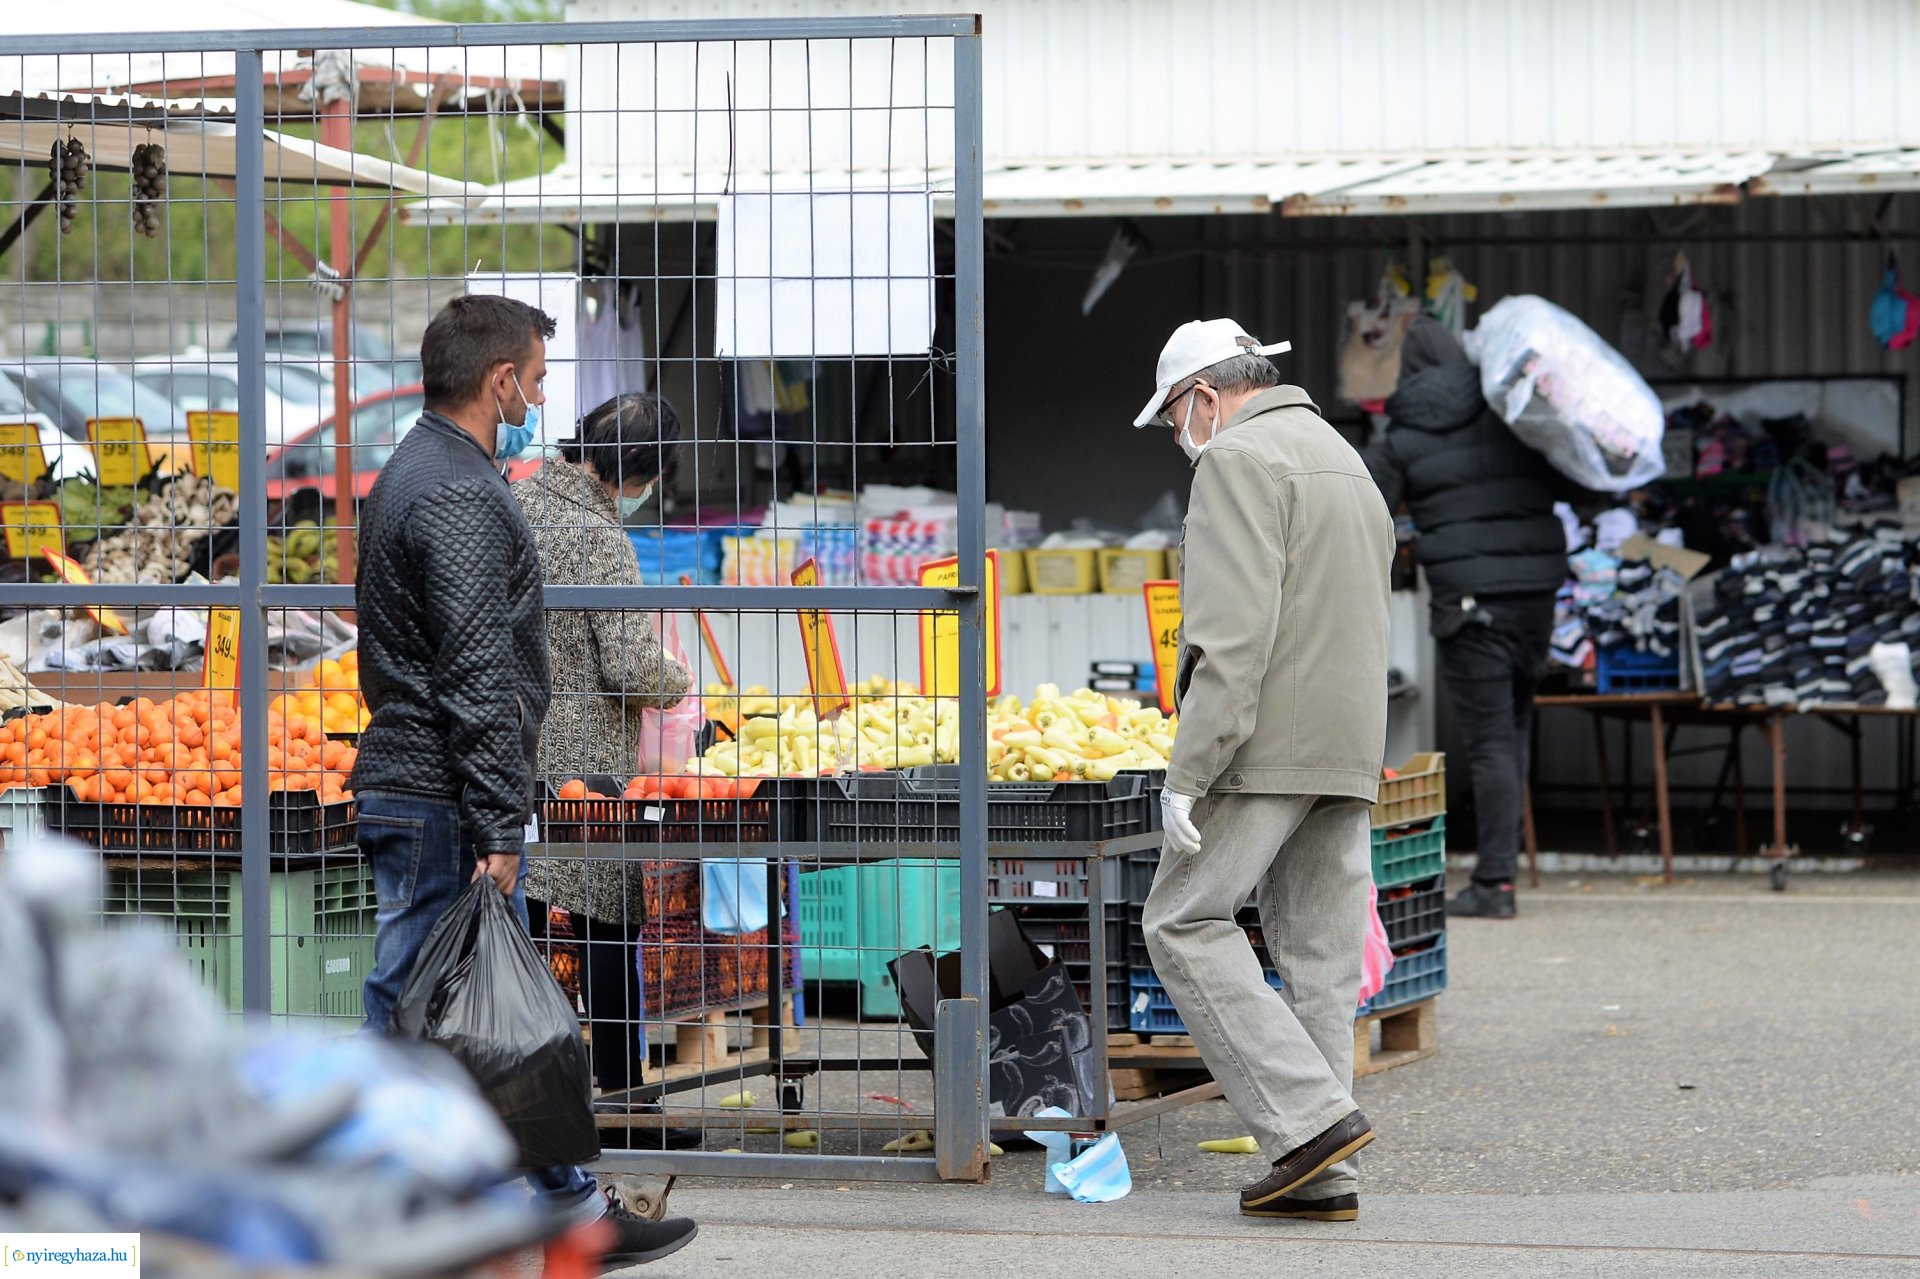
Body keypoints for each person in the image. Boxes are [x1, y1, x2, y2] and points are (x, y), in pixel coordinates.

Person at [351, 294, 698, 1270]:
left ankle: (567, 1202)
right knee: (417, 1007)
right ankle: (379, 1200)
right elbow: (476, 668)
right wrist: (502, 819)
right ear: (500, 381)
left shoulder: (411, 473)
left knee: (475, 1008)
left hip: (418, 779)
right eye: (539, 380)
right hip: (442, 796)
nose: (541, 398)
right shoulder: (459, 492)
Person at [1134, 319, 1396, 1223]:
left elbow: (1229, 638)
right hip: (1349, 742)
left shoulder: (1236, 463)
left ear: (1203, 396)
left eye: (1173, 420)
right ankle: (1325, 1174)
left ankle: (1311, 1122)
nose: (1179, 441)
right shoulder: (1341, 457)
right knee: (1320, 955)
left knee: (1180, 920)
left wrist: (1188, 769)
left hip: (1263, 745)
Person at [513, 391, 695, 1144]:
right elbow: (627, 664)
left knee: (526, 919)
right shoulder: (601, 536)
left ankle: (522, 1088)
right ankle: (624, 1099)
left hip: (520, 741)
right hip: (589, 760)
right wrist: (681, 681)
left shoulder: (521, 502)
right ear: (641, 471)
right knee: (607, 924)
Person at [1366, 318, 1573, 919]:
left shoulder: (1404, 432)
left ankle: (1495, 885)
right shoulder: (1511, 415)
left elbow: (1365, 500)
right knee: (1514, 730)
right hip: (1535, 594)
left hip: (1468, 603)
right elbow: (1577, 482)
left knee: (1489, 743)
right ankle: (1501, 872)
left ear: (1410, 371)